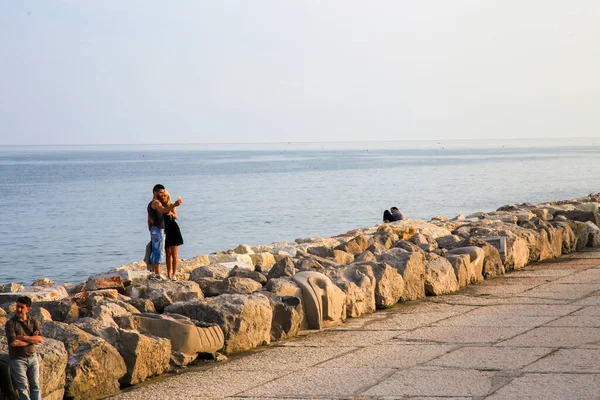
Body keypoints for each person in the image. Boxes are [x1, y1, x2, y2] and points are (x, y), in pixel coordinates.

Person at [5, 296, 43, 400]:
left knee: (35, 386)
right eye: (17, 306)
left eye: (22, 307)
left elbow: (40, 339)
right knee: (23, 388)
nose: (18, 309)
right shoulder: (11, 323)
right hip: (17, 360)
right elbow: (13, 343)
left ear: (28, 309)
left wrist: (23, 337)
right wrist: (32, 339)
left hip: (32, 357)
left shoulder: (33, 321)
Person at [148, 184, 182, 281]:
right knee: (161, 252)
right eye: (161, 193)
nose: (163, 195)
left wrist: (172, 209)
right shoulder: (156, 204)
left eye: (164, 194)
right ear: (155, 193)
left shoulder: (158, 204)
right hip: (160, 230)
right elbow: (161, 212)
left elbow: (175, 216)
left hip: (170, 230)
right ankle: (158, 274)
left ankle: (170, 274)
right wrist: (175, 204)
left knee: (167, 253)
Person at [161, 190, 184, 281]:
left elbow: (176, 216)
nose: (163, 197)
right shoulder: (159, 206)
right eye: (162, 196)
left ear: (167, 196)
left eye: (165, 195)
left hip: (173, 229)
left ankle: (174, 274)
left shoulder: (171, 205)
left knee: (174, 254)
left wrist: (170, 213)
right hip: (165, 230)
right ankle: (168, 274)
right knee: (167, 253)